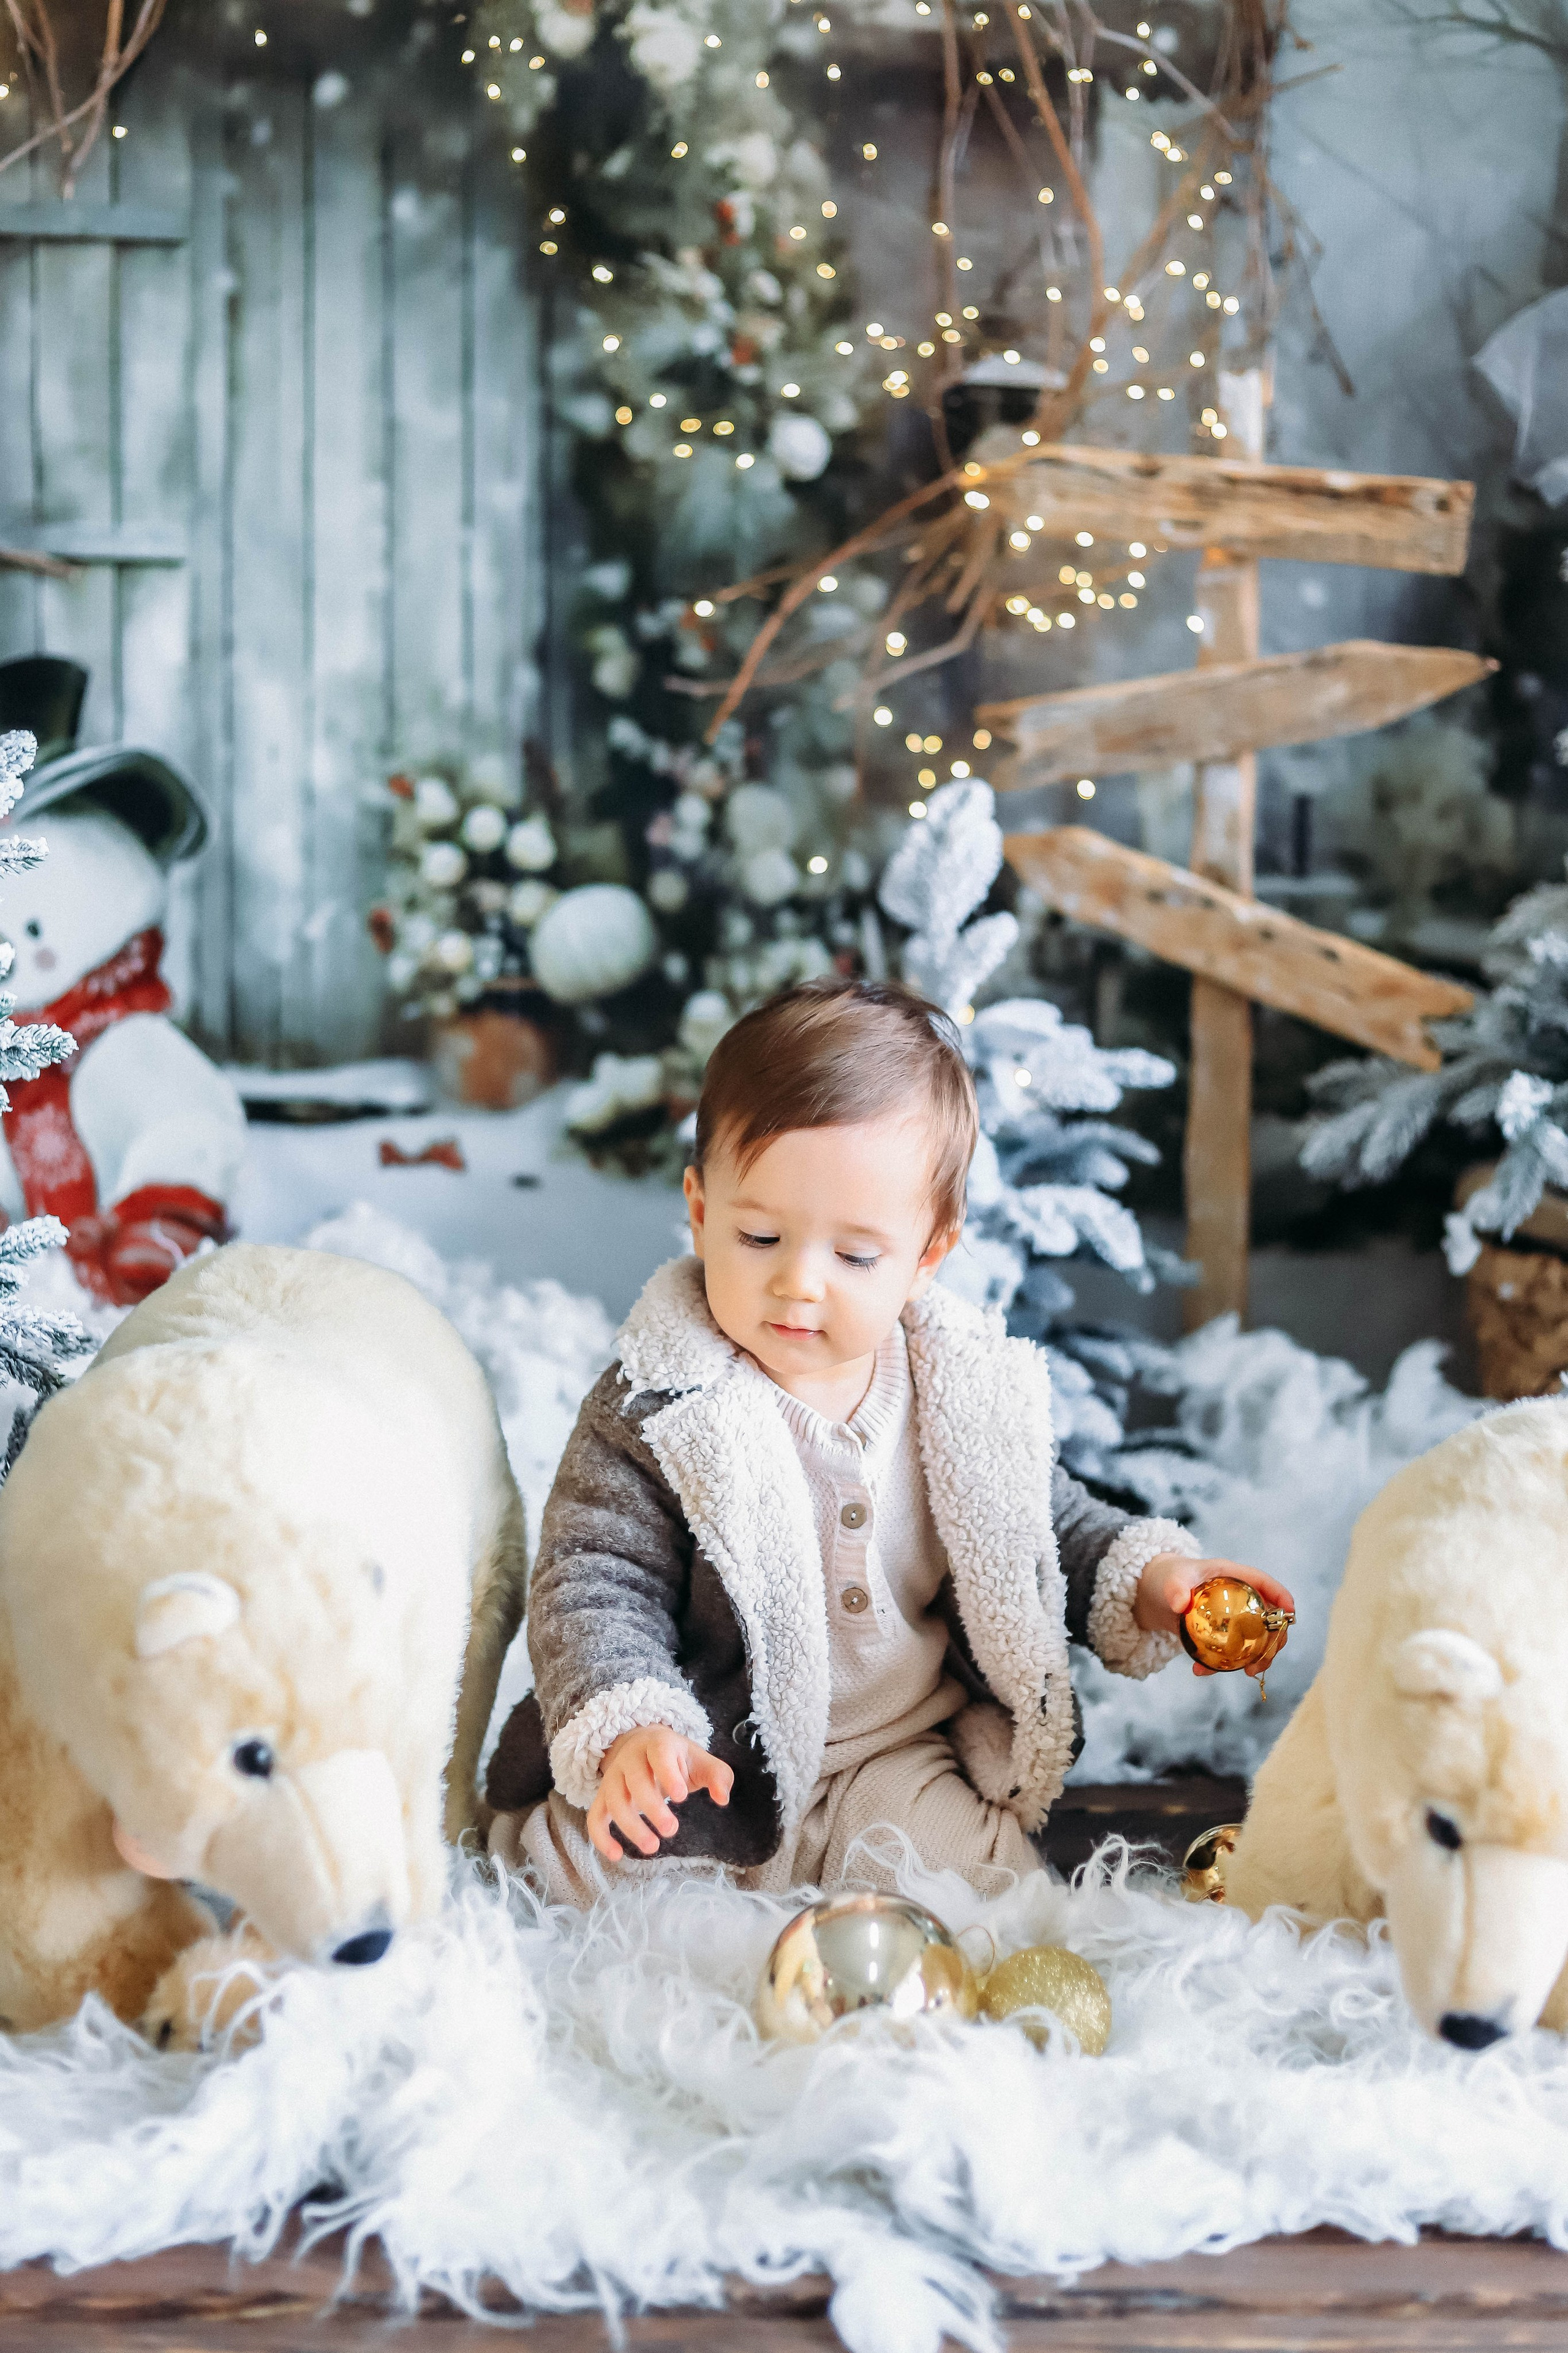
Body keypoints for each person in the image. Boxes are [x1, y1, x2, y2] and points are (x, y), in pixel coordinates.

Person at [486, 978, 1292, 1903]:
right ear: (701, 1209)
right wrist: (634, 1728)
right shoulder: (658, 1405)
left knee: (995, 1902)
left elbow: (1043, 1530)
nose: (799, 1282)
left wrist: (1153, 1583)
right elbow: (593, 1577)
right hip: (708, 1762)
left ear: (928, 1254)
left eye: (855, 1255)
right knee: (581, 1879)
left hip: (896, 1762)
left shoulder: (958, 1393)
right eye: (759, 1235)